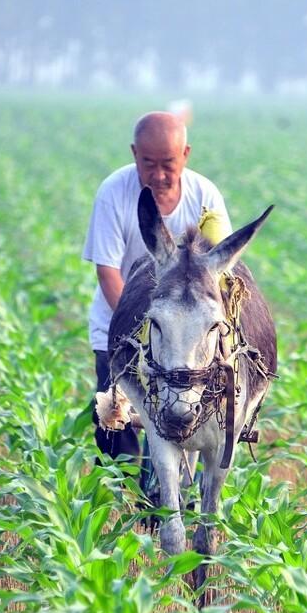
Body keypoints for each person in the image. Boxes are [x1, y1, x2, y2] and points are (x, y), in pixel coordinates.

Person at [82, 111, 231, 466]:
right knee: (115, 423)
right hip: (119, 325)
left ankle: (168, 495)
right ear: (134, 153)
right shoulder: (113, 193)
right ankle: (121, 494)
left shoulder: (205, 196)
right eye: (149, 163)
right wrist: (143, 331)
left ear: (186, 155)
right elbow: (107, 272)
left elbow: (219, 275)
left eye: (168, 163)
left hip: (184, 341)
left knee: (184, 416)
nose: (159, 174)